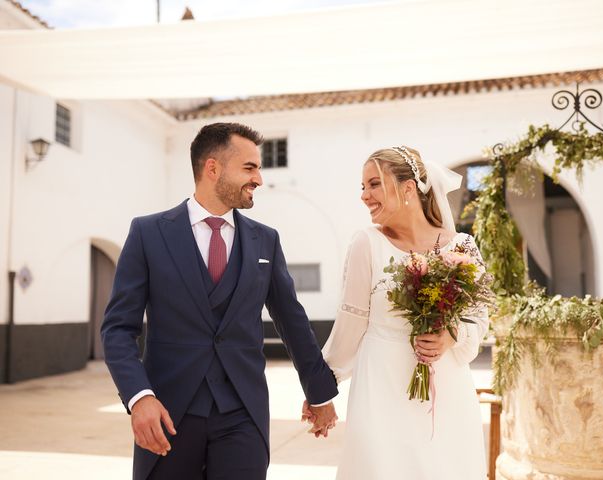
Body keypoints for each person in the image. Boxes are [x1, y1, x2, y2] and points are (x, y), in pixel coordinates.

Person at [101, 122, 338, 480]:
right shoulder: (148, 233)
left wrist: (319, 393)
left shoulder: (265, 241)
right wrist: (139, 397)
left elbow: (292, 320)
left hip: (242, 413)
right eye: (249, 167)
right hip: (168, 413)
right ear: (212, 168)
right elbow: (118, 329)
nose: (258, 178)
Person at [319, 146, 488, 479]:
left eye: (374, 184)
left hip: (448, 389)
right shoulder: (366, 243)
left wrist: (451, 336)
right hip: (381, 388)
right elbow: (350, 324)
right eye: (363, 187)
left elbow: (479, 318)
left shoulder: (462, 246)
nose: (364, 196)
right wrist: (321, 389)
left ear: (408, 188)